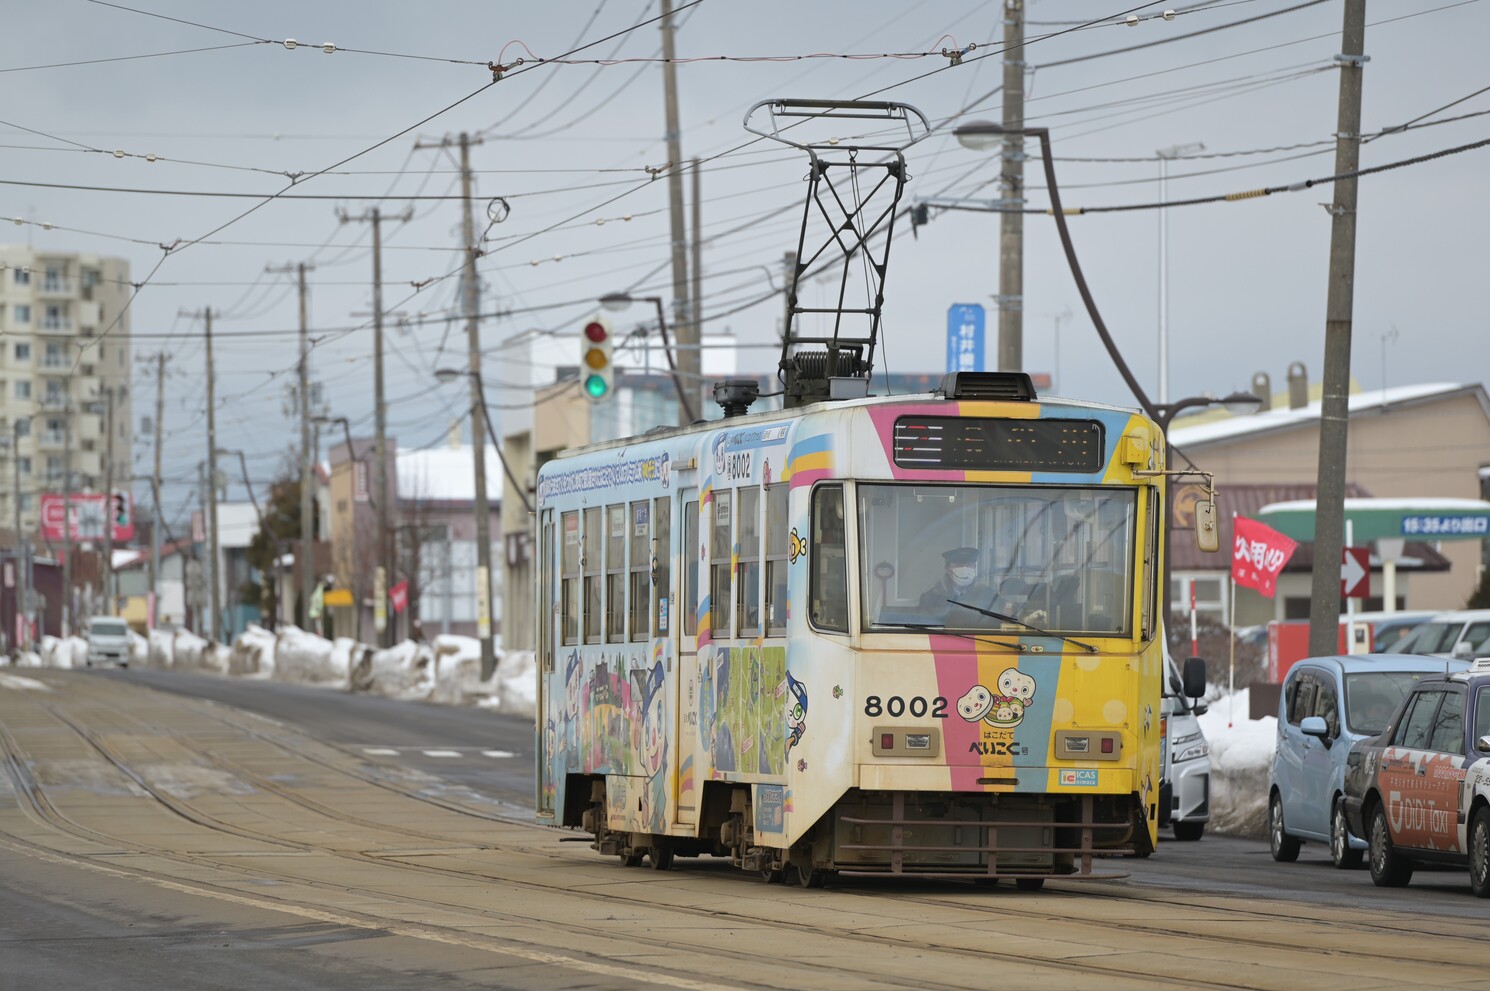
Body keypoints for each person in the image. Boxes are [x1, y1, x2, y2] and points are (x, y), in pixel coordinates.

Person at [919, 547, 993, 620]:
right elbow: (923, 623)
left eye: (969, 565)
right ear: (947, 569)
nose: (965, 569)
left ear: (975, 567)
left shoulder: (988, 595)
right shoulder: (930, 597)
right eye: (959, 565)